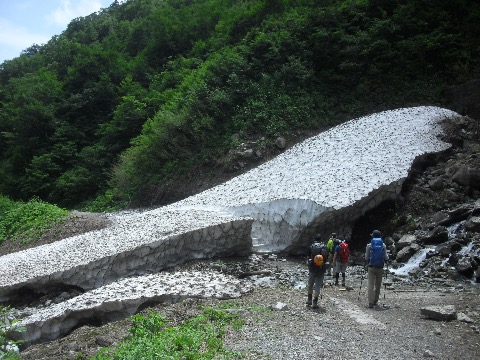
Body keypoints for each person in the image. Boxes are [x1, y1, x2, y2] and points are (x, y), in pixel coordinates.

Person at [364, 230, 388, 308]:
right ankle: (375, 301)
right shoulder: (383, 245)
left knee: (370, 284)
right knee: (378, 285)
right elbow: (386, 257)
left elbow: (366, 257)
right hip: (380, 267)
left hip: (371, 267)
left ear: (373, 236)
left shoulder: (369, 245)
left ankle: (370, 302)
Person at [306, 234, 328, 309]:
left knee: (310, 284)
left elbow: (308, 257)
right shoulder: (324, 246)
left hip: (312, 267)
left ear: (315, 239)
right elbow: (326, 258)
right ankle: (315, 302)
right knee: (318, 285)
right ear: (321, 239)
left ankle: (309, 300)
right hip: (321, 268)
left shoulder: (312, 246)